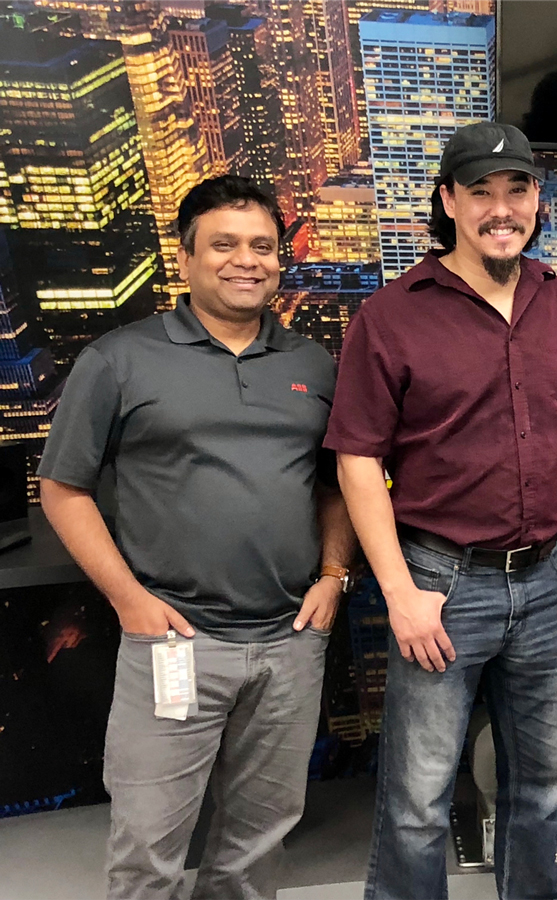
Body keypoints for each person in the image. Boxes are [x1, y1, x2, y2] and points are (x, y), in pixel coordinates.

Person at [38, 175, 357, 900]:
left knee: (259, 840)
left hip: (289, 642)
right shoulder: (119, 359)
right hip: (174, 642)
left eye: (262, 247)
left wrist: (333, 575)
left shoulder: (311, 363)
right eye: (224, 245)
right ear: (185, 258)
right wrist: (129, 601)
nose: (246, 261)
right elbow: (63, 488)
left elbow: (336, 484)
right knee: (149, 847)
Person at [325, 121, 557, 900]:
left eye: (516, 190)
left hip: (552, 578)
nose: (500, 208)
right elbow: (357, 461)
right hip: (441, 581)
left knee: (547, 778)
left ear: (536, 200)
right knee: (419, 796)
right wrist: (399, 592)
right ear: (449, 201)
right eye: (480, 191)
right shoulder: (391, 315)